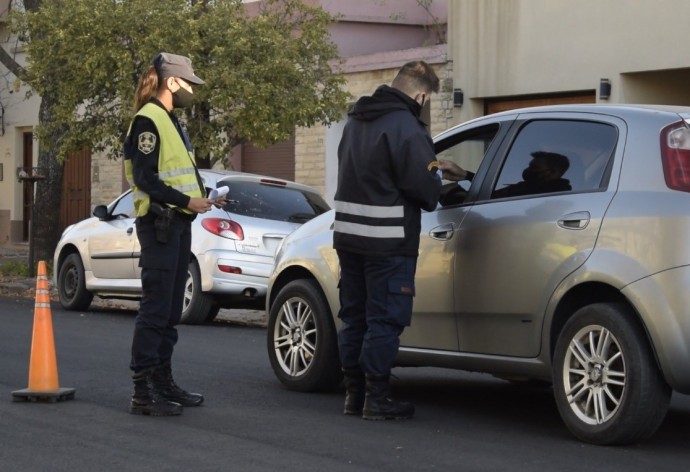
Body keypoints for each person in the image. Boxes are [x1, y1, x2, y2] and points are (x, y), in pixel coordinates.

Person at [333, 61, 442, 420]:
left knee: (355, 318)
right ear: (421, 95)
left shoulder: (355, 121)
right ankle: (377, 399)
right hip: (388, 244)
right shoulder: (407, 128)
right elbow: (426, 192)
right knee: (384, 320)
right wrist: (438, 175)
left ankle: (354, 396)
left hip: (349, 239)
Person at [123, 52, 222, 416]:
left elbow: (173, 173)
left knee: (169, 312)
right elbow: (145, 179)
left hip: (177, 224)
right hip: (160, 225)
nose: (192, 90)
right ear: (172, 82)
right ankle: (143, 391)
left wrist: (201, 200)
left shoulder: (170, 120)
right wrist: (187, 201)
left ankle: (163, 383)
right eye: (189, 83)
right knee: (155, 309)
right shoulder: (148, 120)